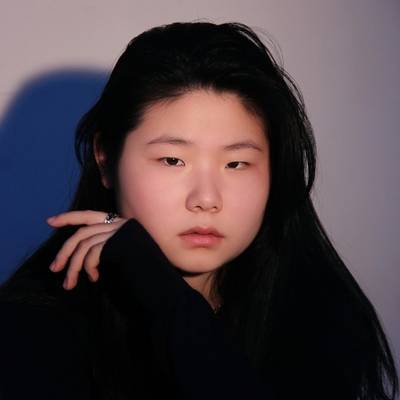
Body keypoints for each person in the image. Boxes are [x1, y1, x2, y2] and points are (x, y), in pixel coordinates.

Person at [0, 21, 398, 400]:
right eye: (173, 160)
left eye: (236, 163)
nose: (206, 198)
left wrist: (167, 298)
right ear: (105, 160)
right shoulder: (34, 327)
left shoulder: (315, 315)